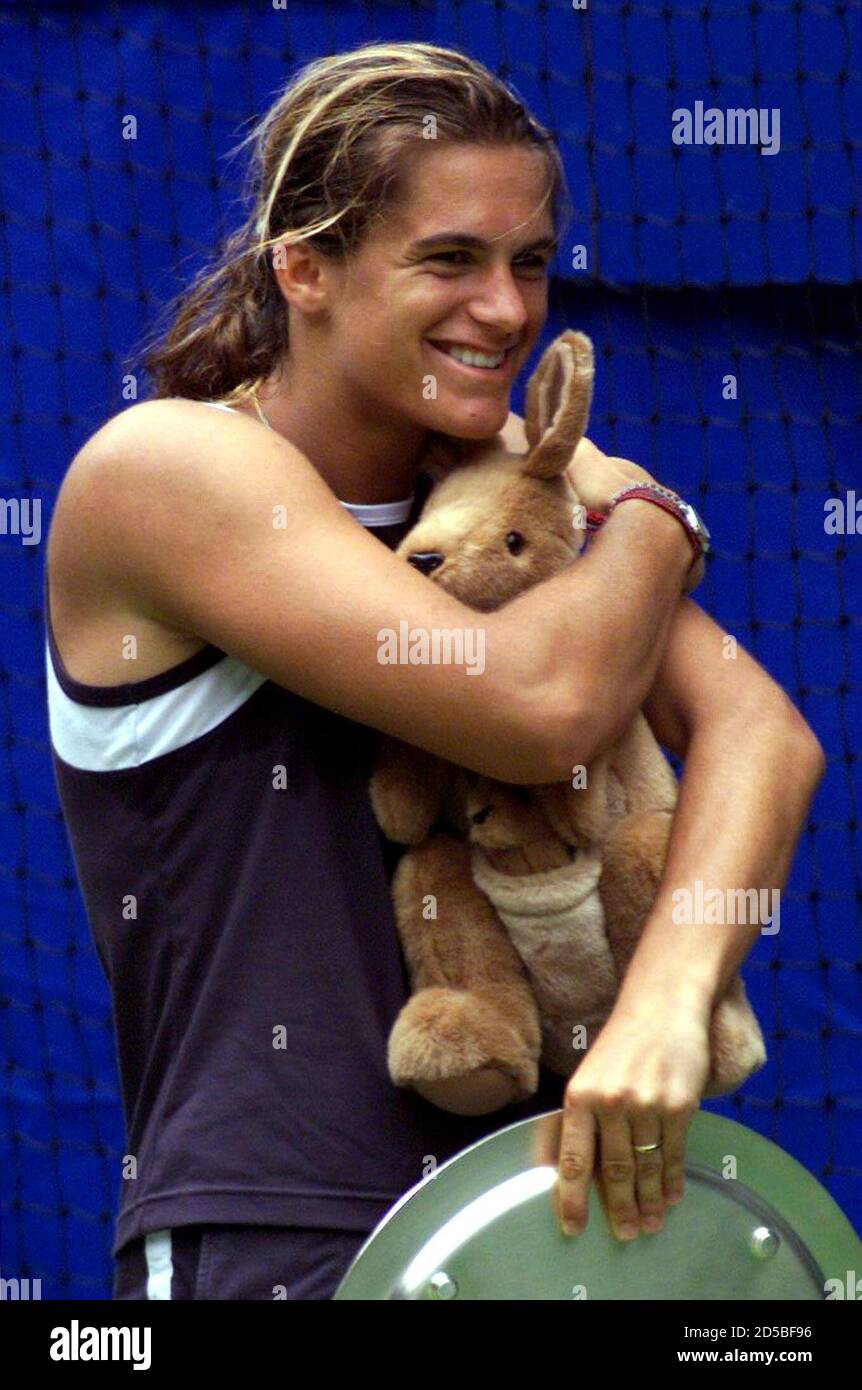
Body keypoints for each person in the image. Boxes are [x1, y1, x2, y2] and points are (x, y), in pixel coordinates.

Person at [45, 41, 824, 1300]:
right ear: (303, 268)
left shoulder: (512, 491)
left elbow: (765, 736)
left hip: (558, 1221)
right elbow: (539, 706)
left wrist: (667, 1002)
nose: (508, 311)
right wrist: (653, 518)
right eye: (450, 259)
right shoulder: (164, 470)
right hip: (283, 1238)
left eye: (528, 264)